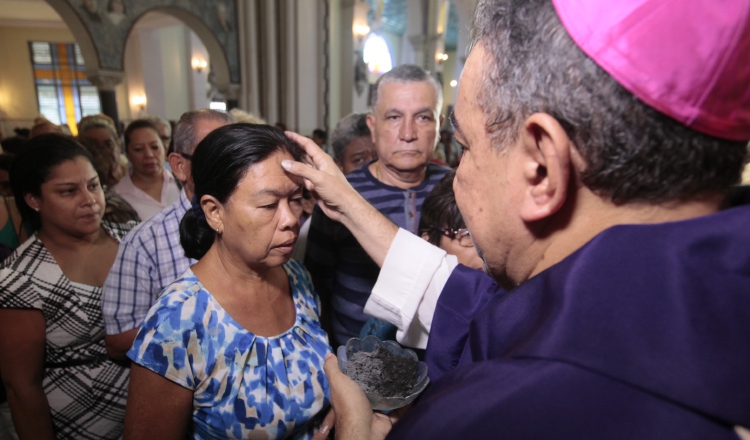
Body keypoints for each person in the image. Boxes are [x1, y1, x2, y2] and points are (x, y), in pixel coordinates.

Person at [282, 0, 750, 436]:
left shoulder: (494, 417)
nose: (456, 176)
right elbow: (469, 303)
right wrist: (348, 201)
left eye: (463, 147)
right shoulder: (671, 308)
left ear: (541, 170)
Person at [125, 124, 331, 439]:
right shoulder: (177, 323)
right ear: (214, 212)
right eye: (268, 205)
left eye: (295, 200)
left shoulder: (297, 277)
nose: (291, 219)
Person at [304, 64, 450, 347]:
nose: (408, 133)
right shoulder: (341, 192)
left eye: (423, 117)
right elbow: (315, 286)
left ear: (439, 124)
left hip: (441, 358)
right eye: (394, 117)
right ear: (373, 126)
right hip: (357, 361)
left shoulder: (460, 187)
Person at [0, 134, 135, 439]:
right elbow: (22, 388)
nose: (89, 200)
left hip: (153, 408)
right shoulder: (19, 278)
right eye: (68, 191)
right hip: (79, 422)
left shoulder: (134, 240)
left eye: (93, 185)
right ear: (33, 200)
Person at [102, 109, 233, 360]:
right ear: (179, 166)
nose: (228, 168)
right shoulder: (146, 242)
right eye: (212, 157)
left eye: (234, 155)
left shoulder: (259, 227)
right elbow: (118, 341)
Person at [113, 119, 180, 220]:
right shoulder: (118, 197)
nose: (149, 154)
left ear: (165, 148)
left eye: (154, 147)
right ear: (127, 153)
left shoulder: (183, 182)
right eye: (138, 149)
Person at [78, 116, 140, 223]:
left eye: (108, 144)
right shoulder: (88, 190)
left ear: (118, 145)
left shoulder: (137, 175)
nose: (102, 151)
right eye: (95, 146)